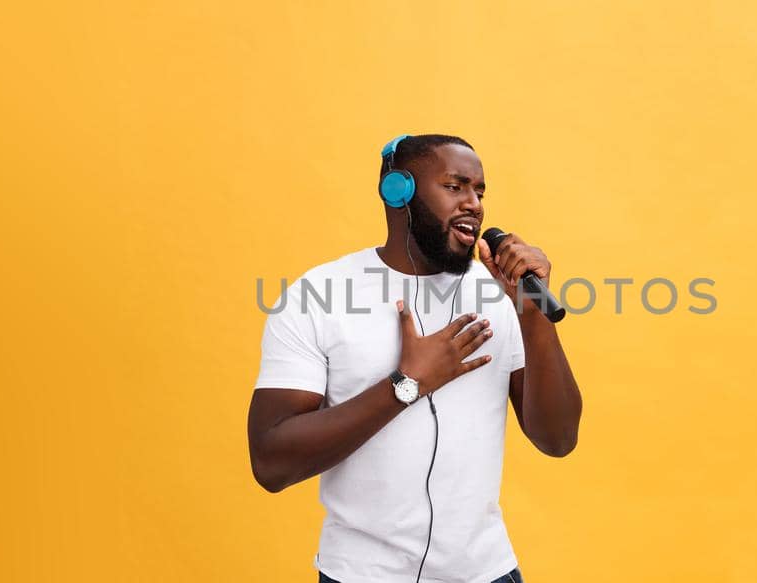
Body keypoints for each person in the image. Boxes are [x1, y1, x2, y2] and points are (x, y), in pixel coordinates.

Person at [248, 134, 584, 582]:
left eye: (479, 191)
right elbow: (271, 463)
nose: (474, 204)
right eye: (455, 186)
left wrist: (531, 314)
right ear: (398, 192)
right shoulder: (319, 296)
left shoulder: (501, 296)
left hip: (487, 573)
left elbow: (557, 439)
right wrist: (406, 384)